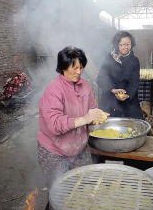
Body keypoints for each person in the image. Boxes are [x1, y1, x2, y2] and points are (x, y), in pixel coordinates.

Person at [37, 46, 107, 190]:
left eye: (81, 67)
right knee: (59, 190)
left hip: (79, 147)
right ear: (63, 67)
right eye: (74, 68)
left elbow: (92, 107)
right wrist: (85, 119)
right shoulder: (53, 90)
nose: (79, 72)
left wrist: (96, 116)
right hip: (54, 150)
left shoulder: (85, 85)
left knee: (87, 185)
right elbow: (55, 124)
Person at [97, 31, 143, 119]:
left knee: (130, 127)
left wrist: (128, 94)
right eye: (122, 44)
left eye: (128, 44)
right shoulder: (108, 58)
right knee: (107, 127)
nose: (126, 47)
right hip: (109, 100)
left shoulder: (134, 60)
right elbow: (102, 77)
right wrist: (113, 89)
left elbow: (135, 81)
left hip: (128, 102)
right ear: (117, 45)